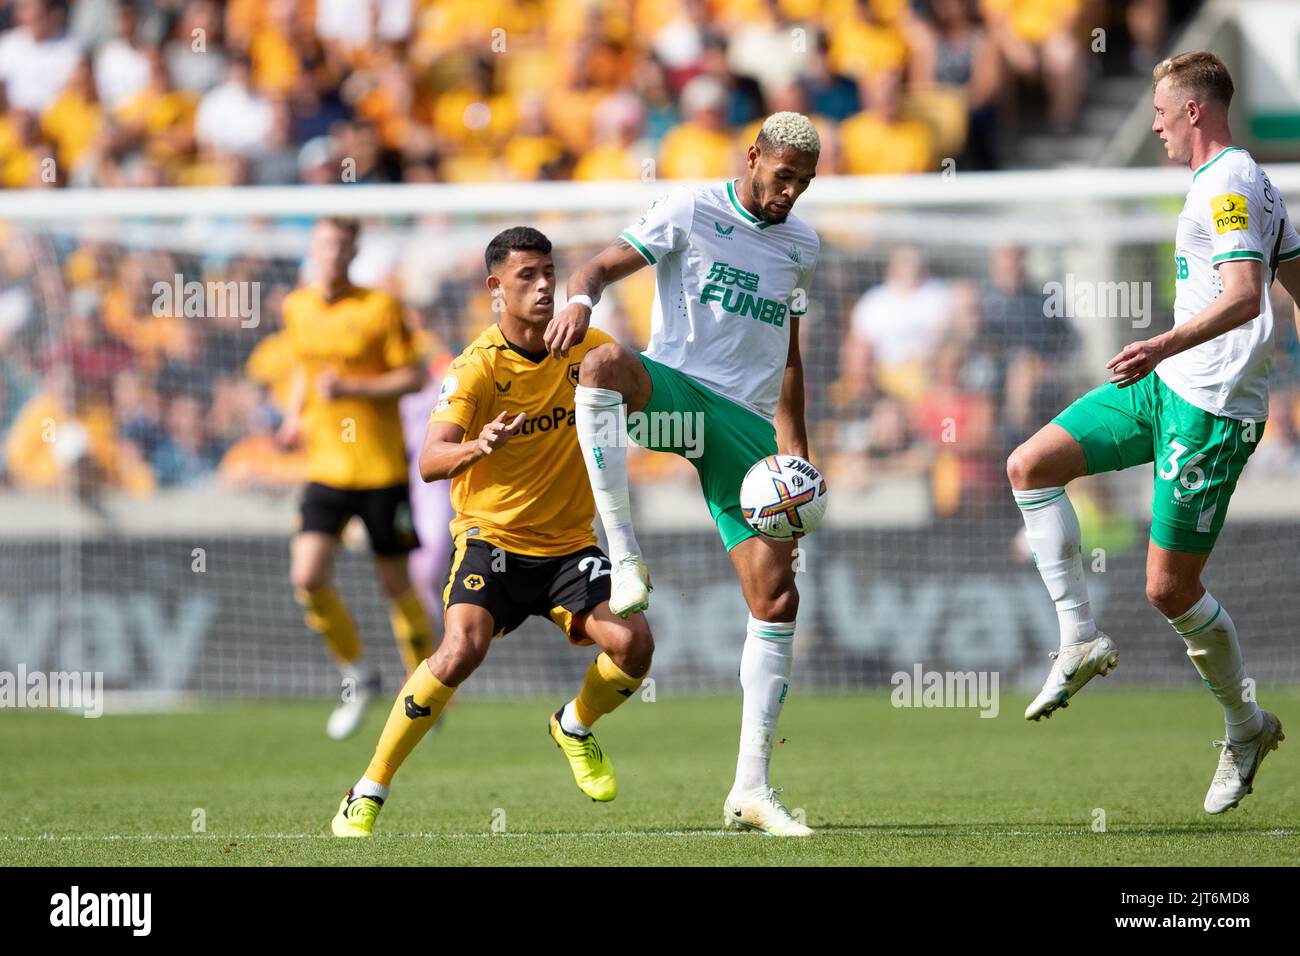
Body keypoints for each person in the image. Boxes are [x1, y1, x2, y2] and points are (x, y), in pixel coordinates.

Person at [1007, 52, 1300, 813]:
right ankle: (1078, 637)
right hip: (1164, 391)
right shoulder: (1243, 183)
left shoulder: (1232, 184)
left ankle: (1246, 725)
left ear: (1194, 110)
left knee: (1169, 588)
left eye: (1163, 111)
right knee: (1031, 464)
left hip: (1210, 412)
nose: (1156, 125)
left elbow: (1245, 295)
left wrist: (1162, 342)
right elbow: (1294, 283)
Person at [545, 112, 821, 837]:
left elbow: (790, 358)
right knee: (602, 363)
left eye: (803, 182)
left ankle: (751, 790)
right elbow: (596, 268)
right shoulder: (690, 208)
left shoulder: (802, 245)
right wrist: (579, 299)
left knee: (777, 598)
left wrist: (798, 452)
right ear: (752, 155)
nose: (789, 191)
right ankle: (625, 559)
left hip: (748, 429)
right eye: (781, 175)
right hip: (675, 395)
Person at [331, 227, 653, 837]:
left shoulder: (591, 349)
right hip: (493, 542)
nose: (543, 287)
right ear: (495, 287)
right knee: (460, 650)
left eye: (549, 274)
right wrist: (479, 444)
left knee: (635, 646)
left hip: (568, 549)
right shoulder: (476, 368)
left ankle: (574, 725)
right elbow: (429, 460)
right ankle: (367, 789)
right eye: (526, 276)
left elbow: (643, 400)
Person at [278, 217, 431, 739]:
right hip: (326, 467)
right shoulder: (296, 307)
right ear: (313, 249)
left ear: (353, 252)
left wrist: (353, 389)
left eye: (341, 245)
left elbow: (413, 376)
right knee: (307, 578)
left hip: (381, 468)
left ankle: (423, 693)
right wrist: (292, 417)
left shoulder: (380, 307)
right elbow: (303, 368)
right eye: (323, 243)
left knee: (395, 584)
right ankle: (358, 674)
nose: (331, 253)